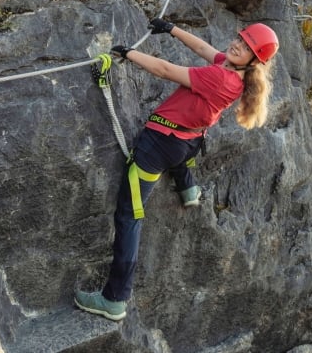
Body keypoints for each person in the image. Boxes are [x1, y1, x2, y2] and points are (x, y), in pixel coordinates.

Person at [74, 18, 278, 321]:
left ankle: (115, 298)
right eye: (239, 38)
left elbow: (166, 70)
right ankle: (188, 188)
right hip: (185, 141)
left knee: (129, 215)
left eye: (246, 46)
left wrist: (128, 54)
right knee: (183, 154)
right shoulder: (232, 69)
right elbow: (202, 47)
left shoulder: (220, 78)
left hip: (159, 145)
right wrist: (171, 29)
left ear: (254, 60)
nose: (237, 45)